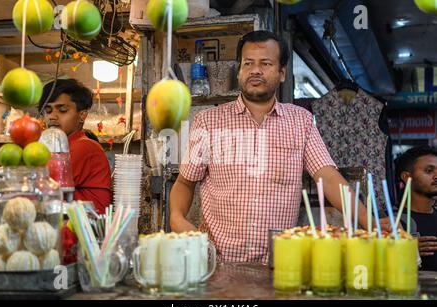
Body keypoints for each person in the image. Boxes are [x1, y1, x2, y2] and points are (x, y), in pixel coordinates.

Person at [169, 30, 391, 263]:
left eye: (265, 63)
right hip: (216, 260)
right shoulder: (208, 122)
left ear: (282, 73)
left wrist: (369, 222)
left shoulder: (301, 121)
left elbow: (328, 176)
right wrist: (176, 217)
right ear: (240, 70)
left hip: (277, 264)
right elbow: (185, 182)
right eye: (248, 63)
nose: (255, 70)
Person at [39, 79, 111, 214]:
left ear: (82, 115)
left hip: (84, 229)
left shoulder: (84, 147)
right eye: (48, 111)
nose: (52, 117)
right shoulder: (59, 148)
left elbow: (41, 186)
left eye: (62, 110)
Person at [395, 146, 437, 271]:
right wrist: (404, 250)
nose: (436, 176)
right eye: (429, 171)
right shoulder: (388, 220)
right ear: (407, 177)